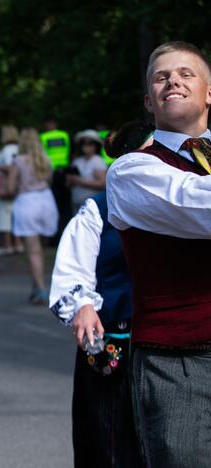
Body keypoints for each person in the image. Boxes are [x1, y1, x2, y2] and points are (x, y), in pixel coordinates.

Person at [106, 41, 211, 468]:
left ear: (209, 92)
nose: (174, 81)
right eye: (162, 76)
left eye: (186, 73)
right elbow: (198, 205)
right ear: (149, 101)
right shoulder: (132, 170)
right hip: (180, 360)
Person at [48, 121, 153, 468]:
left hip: (172, 342)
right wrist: (83, 305)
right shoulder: (99, 209)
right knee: (110, 439)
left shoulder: (184, 201)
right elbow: (72, 271)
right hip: (116, 339)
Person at [5, 128, 58, 305]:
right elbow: (50, 179)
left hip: (27, 203)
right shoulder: (45, 159)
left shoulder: (18, 161)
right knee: (41, 249)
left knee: (33, 251)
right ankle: (36, 286)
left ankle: (41, 289)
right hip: (46, 201)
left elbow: (10, 187)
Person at [0, 125, 23, 255]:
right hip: (18, 187)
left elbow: (9, 169)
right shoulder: (19, 149)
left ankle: (8, 245)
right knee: (15, 215)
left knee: (5, 217)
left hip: (5, 187)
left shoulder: (7, 150)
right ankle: (18, 244)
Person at [68, 129, 107, 212]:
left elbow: (102, 184)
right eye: (83, 143)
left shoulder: (98, 161)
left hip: (92, 207)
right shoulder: (77, 161)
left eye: (90, 143)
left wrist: (79, 181)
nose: (86, 146)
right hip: (76, 204)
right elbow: (68, 184)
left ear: (96, 145)